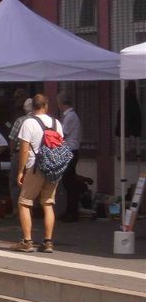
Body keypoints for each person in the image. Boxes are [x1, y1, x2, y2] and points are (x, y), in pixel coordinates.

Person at [13, 93, 64, 253]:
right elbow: (60, 145)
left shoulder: (28, 123)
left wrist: (21, 171)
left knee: (24, 202)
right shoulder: (56, 123)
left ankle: (27, 241)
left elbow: (24, 148)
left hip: (35, 166)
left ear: (33, 107)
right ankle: (48, 241)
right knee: (48, 203)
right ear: (46, 106)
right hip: (53, 167)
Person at [57, 93, 83, 222]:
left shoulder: (70, 116)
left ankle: (72, 212)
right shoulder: (69, 116)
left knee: (69, 182)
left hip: (71, 150)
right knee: (68, 182)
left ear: (62, 103)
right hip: (69, 150)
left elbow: (63, 133)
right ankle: (70, 210)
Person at [7, 97, 33, 216]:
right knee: (33, 182)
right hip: (37, 155)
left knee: (16, 181)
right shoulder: (43, 120)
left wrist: (12, 153)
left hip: (20, 153)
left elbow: (12, 139)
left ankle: (17, 209)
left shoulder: (20, 120)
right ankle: (32, 209)